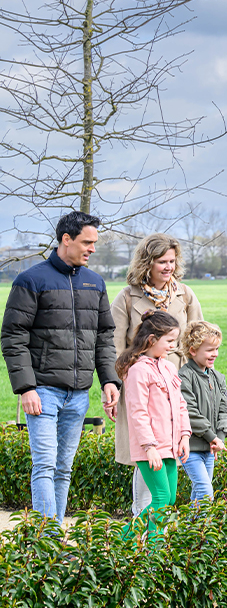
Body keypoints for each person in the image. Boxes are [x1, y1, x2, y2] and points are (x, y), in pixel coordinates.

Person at [1, 211, 120, 525]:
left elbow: (104, 336)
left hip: (79, 393)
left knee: (64, 468)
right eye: (87, 242)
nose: (92, 248)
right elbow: (13, 336)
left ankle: (53, 534)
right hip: (42, 390)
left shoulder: (96, 283)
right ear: (66, 239)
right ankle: (47, 541)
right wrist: (26, 388)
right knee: (45, 465)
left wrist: (110, 380)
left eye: (94, 242)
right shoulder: (31, 280)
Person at [111, 233, 203, 516]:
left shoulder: (185, 294)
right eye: (162, 261)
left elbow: (197, 338)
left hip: (174, 382)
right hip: (140, 384)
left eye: (172, 261)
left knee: (168, 455)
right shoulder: (127, 297)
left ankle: (148, 533)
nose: (168, 267)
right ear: (146, 263)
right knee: (146, 453)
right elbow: (114, 345)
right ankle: (141, 521)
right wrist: (114, 386)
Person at [117, 310, 190, 541]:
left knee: (169, 500)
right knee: (159, 498)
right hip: (151, 449)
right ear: (151, 339)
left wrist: (185, 436)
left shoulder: (168, 367)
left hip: (170, 446)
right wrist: (149, 447)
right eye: (169, 341)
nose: (172, 346)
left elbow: (180, 404)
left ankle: (122, 540)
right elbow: (137, 412)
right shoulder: (138, 370)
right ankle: (152, 553)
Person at [177, 321, 227, 504]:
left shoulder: (218, 378)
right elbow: (189, 412)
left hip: (210, 449)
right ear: (193, 350)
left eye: (217, 349)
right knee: (204, 489)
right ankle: (201, 527)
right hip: (191, 448)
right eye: (210, 350)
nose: (215, 354)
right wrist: (212, 437)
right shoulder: (184, 376)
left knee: (200, 490)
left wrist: (219, 438)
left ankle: (189, 528)